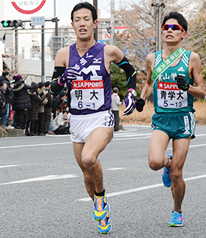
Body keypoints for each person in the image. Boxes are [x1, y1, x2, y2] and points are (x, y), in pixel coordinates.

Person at [50, 1, 137, 234]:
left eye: (86, 19)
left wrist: (131, 92)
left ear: (94, 23)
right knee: (86, 174)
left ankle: (100, 198)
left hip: (101, 117)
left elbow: (131, 71)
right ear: (72, 24)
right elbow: (52, 90)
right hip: (77, 120)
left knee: (89, 158)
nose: (82, 23)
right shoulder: (63, 54)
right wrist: (61, 79)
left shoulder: (108, 51)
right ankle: (101, 205)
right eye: (77, 19)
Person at [135, 12, 206, 227]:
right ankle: (166, 164)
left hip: (183, 119)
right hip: (162, 119)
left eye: (174, 28)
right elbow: (148, 82)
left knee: (177, 173)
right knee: (155, 162)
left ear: (183, 34)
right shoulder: (152, 59)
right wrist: (141, 98)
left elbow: (202, 91)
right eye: (166, 27)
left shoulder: (191, 58)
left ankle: (177, 211)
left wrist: (188, 87)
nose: (169, 30)